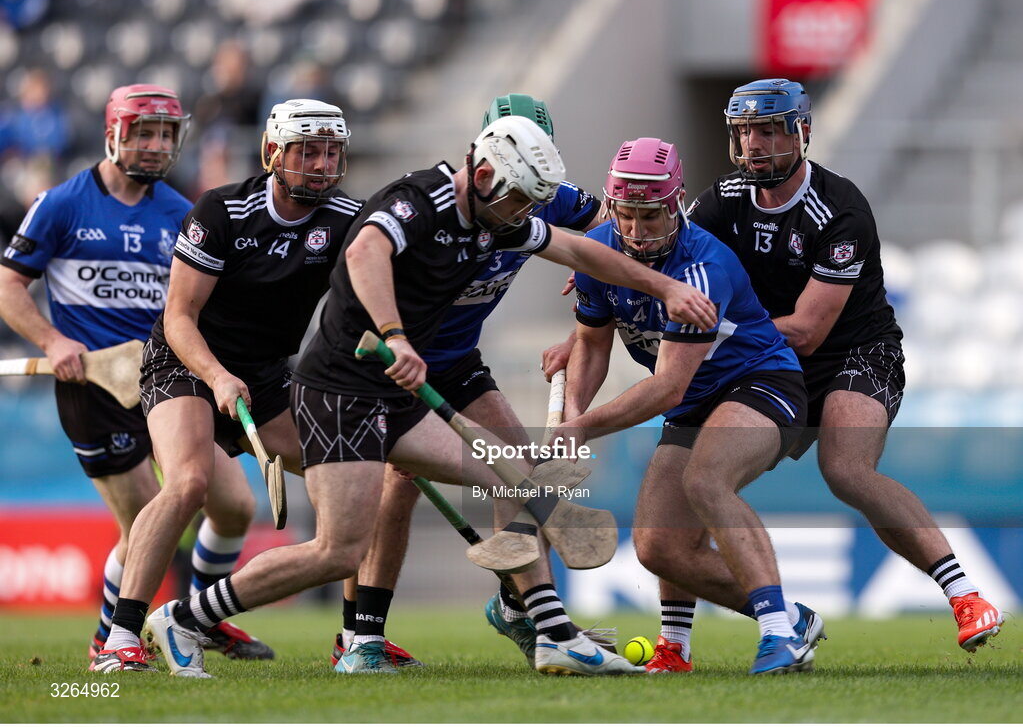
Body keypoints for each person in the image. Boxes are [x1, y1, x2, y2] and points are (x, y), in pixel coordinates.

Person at [143, 115, 717, 678]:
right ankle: (185, 618)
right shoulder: (420, 197)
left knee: (515, 476)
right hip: (343, 391)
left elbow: (577, 250)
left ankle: (554, 636)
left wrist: (664, 286)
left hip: (392, 397)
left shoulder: (495, 215)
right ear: (486, 172)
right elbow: (363, 254)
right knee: (338, 551)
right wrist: (396, 337)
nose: (523, 216)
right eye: (519, 200)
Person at [686, 78, 1003, 653]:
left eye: (767, 130)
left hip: (857, 351)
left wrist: (707, 332)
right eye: (744, 132)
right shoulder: (720, 200)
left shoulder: (841, 210)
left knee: (846, 468)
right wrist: (604, 276)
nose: (753, 144)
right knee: (695, 466)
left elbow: (807, 331)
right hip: (769, 356)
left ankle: (966, 596)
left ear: (801, 132)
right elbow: (664, 259)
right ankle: (673, 641)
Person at [329, 94, 606, 670]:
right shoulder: (443, 203)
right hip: (396, 361)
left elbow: (607, 231)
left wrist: (590, 274)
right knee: (397, 484)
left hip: (457, 361)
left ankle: (520, 607)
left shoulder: (552, 197)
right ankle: (360, 639)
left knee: (523, 473)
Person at [0, 84, 272, 667]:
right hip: (94, 388)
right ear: (114, 134)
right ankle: (109, 644)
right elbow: (7, 286)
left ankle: (197, 618)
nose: (154, 146)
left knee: (234, 507)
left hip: (164, 381)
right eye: (143, 133)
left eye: (166, 135)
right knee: (147, 518)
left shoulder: (182, 212)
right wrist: (53, 338)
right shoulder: (63, 203)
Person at [95, 98, 363, 675]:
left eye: (332, 152)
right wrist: (216, 376)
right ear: (273, 153)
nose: (321, 164)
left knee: (357, 469)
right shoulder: (222, 211)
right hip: (185, 365)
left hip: (266, 377)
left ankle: (360, 640)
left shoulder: (347, 219)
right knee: (188, 483)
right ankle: (118, 639)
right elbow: (179, 317)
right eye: (308, 151)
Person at [557, 136, 821, 675]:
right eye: (626, 215)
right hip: (696, 400)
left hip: (760, 382)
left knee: (706, 481)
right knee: (658, 547)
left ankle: (779, 636)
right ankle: (696, 641)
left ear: (675, 205)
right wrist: (568, 417)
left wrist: (583, 427)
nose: (636, 231)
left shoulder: (702, 269)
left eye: (650, 216)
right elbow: (590, 342)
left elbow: (667, 389)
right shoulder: (597, 255)